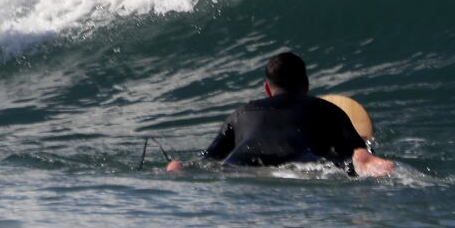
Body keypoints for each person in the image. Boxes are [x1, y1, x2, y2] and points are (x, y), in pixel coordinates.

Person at [166, 52, 395, 177]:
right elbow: (353, 148)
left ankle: (178, 167)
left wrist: (190, 165)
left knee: (201, 165)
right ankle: (366, 162)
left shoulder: (240, 114)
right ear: (306, 85)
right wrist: (363, 150)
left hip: (241, 163)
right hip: (299, 161)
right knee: (352, 158)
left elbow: (209, 157)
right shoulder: (325, 109)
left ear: (267, 89)